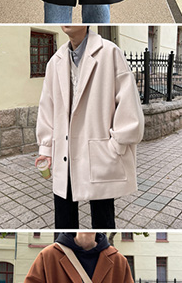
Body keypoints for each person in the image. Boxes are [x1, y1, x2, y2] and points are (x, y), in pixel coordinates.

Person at [34, 26, 144, 229]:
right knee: (64, 222)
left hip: (100, 151)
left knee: (103, 221)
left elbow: (129, 105)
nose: (66, 23)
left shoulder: (110, 53)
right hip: (64, 151)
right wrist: (46, 149)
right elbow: (47, 107)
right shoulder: (55, 61)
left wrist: (116, 145)